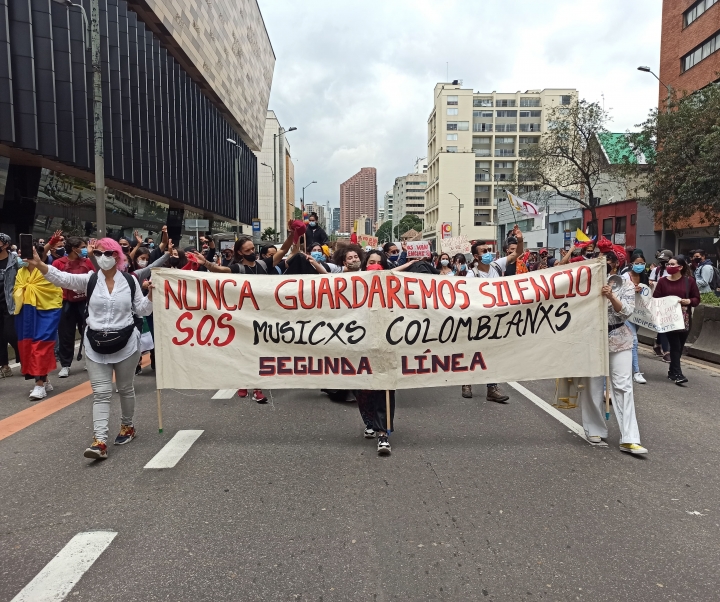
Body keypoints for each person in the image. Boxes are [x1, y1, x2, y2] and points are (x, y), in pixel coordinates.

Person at [26, 238, 154, 460]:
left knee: (125, 388)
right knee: (102, 393)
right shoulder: (90, 280)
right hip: (95, 344)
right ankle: (100, 441)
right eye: (98, 254)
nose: (102, 258)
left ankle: (127, 427)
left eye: (107, 254)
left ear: (117, 256)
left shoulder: (130, 281)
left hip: (126, 343)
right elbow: (62, 278)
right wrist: (40, 264)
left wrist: (152, 294)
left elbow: (142, 309)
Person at [197, 233, 293, 403]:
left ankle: (257, 387)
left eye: (252, 248)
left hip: (262, 317)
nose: (252, 252)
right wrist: (205, 263)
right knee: (243, 352)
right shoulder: (237, 269)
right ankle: (243, 381)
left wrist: (293, 235)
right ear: (240, 252)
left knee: (259, 352)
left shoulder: (264, 264)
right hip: (242, 317)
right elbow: (220, 270)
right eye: (247, 250)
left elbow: (284, 249)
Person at [579, 265, 648, 455]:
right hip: (592, 339)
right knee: (592, 385)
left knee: (623, 385)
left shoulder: (625, 284)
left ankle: (630, 438)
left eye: (608, 258)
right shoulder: (581, 284)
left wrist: (610, 296)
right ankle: (594, 429)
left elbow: (626, 312)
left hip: (620, 338)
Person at [460, 240, 516, 404]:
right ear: (476, 256)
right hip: (477, 319)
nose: (488, 253)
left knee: (492, 352)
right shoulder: (472, 275)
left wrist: (519, 239)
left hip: (496, 318)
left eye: (488, 250)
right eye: (484, 251)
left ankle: (492, 388)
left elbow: (516, 254)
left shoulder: (497, 266)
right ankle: (466, 382)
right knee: (473, 351)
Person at [13, 245, 63, 399]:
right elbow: (16, 291)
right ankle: (44, 379)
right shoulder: (20, 272)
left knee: (41, 345)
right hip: (25, 312)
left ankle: (39, 384)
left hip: (47, 311)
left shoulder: (47, 271)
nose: (22, 256)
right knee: (28, 346)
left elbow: (56, 292)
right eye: (20, 253)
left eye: (25, 253)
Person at [652, 255, 700, 385]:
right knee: (675, 345)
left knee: (679, 346)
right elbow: (656, 299)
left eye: (673, 264)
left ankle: (672, 371)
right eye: (668, 264)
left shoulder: (689, 281)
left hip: (684, 319)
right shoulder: (662, 281)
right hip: (669, 319)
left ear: (681, 267)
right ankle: (678, 374)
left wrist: (688, 301)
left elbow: (696, 299)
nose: (669, 266)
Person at [53, 237, 95, 378]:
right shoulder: (58, 263)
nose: (84, 249)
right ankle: (65, 364)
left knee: (88, 332)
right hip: (66, 302)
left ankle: (90, 360)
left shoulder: (88, 262)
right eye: (82, 246)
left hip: (84, 301)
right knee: (66, 333)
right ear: (74, 248)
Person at [621, 252, 650, 384]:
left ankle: (623, 364)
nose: (639, 266)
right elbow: (619, 294)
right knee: (635, 341)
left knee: (629, 342)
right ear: (631, 263)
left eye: (642, 263)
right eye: (637, 263)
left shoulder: (644, 277)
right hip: (627, 314)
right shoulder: (625, 277)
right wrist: (631, 290)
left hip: (638, 314)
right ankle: (637, 372)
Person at [1, 232, 21, 378]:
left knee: (11, 334)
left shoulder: (15, 260)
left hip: (10, 303)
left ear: (5, 244)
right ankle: (5, 366)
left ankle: (23, 359)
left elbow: (32, 263)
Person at [649, 249, 673, 360]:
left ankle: (658, 345)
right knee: (663, 325)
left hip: (671, 301)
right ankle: (666, 351)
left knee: (665, 325)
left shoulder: (673, 270)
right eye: (661, 261)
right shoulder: (657, 270)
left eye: (666, 261)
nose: (663, 263)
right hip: (658, 301)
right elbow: (650, 282)